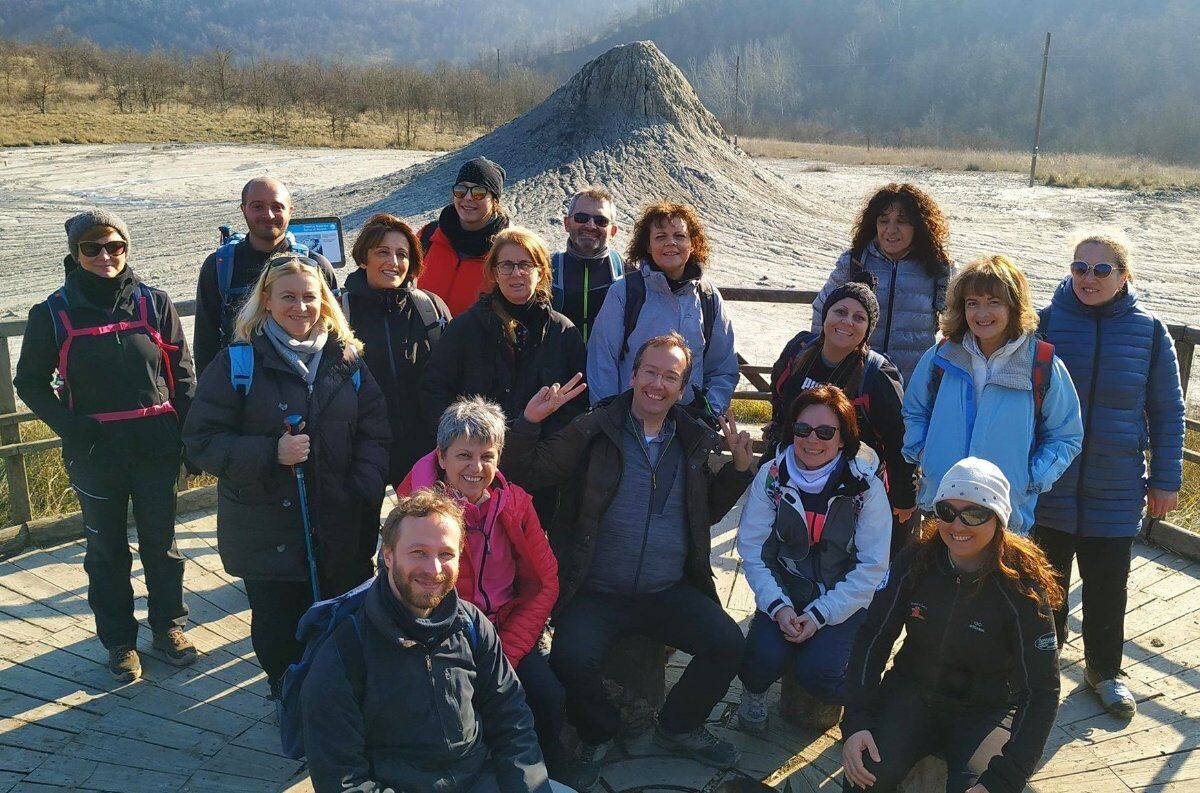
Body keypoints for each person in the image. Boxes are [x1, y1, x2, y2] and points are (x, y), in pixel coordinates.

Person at [504, 332, 755, 791]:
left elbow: (705, 513)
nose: (658, 385)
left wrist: (740, 471)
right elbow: (528, 472)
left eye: (671, 377)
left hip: (667, 591)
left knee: (728, 644)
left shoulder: (694, 438)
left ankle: (677, 726)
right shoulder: (594, 427)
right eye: (651, 372)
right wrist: (529, 423)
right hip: (596, 589)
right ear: (634, 374)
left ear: (683, 389)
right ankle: (597, 733)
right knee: (569, 657)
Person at [183, 256, 390, 697]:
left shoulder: (347, 360)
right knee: (279, 627)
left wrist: (361, 489)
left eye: (309, 297)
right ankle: (290, 695)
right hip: (267, 529)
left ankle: (340, 701)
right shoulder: (238, 362)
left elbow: (376, 433)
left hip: (339, 523)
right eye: (288, 297)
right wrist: (269, 452)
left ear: (325, 301)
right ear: (267, 301)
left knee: (344, 620)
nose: (300, 307)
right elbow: (201, 441)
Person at [15, 209, 197, 682]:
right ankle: (119, 642)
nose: (105, 256)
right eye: (91, 248)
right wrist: (70, 427)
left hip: (156, 448)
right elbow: (29, 382)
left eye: (114, 246)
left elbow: (181, 375)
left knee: (163, 547)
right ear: (75, 255)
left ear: (126, 249)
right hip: (96, 454)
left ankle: (168, 628)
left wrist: (188, 440)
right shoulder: (51, 312)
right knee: (106, 552)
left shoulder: (154, 303)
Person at [300, 488, 568, 793]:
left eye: (446, 554)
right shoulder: (344, 649)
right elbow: (342, 779)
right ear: (387, 555)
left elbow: (512, 719)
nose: (434, 569)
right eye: (418, 553)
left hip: (481, 778)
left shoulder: (472, 624)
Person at [841, 457, 1063, 793]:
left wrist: (1007, 777)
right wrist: (856, 721)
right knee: (865, 776)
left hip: (985, 710)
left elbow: (1043, 690)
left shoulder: (1022, 587)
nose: (958, 526)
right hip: (912, 694)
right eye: (947, 512)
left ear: (999, 519)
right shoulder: (916, 561)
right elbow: (873, 636)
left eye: (974, 514)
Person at [1032, 234, 1185, 719]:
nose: (1088, 278)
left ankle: (1104, 670)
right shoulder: (1046, 322)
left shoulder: (1150, 331)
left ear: (1124, 275)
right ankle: (1041, 662)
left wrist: (1165, 478)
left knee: (1107, 585)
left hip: (1116, 485)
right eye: (1080, 268)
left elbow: (1167, 410)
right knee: (1045, 580)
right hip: (1052, 482)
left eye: (1102, 270)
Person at [396, 397, 567, 779]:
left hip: (505, 632)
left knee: (548, 697)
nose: (476, 468)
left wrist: (507, 650)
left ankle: (551, 775)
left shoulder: (516, 505)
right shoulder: (416, 515)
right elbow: (402, 588)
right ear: (442, 458)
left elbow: (545, 581)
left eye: (487, 456)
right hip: (443, 638)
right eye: (464, 456)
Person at [735, 385, 891, 733]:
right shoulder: (772, 476)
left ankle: (863, 709)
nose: (812, 440)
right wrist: (778, 606)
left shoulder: (865, 487)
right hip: (787, 589)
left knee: (818, 671)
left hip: (841, 596)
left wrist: (821, 614)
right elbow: (752, 548)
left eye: (825, 432)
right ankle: (754, 692)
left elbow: (872, 566)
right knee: (760, 658)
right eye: (803, 429)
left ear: (843, 438)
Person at [902, 254, 1083, 535]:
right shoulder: (940, 356)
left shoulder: (1042, 364)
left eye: (993, 302)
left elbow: (1066, 434)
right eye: (972, 303)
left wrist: (1032, 477)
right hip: (942, 507)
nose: (981, 313)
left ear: (1014, 306)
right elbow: (914, 412)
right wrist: (925, 454)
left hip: (1005, 514)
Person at [768, 272, 917, 553]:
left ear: (868, 328)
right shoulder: (799, 351)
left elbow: (899, 439)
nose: (847, 322)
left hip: (851, 489)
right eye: (840, 311)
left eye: (859, 318)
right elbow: (779, 396)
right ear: (825, 315)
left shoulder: (877, 375)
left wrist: (903, 496)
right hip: (793, 475)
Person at [420, 226, 588, 439]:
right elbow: (435, 388)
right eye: (506, 265)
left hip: (542, 459)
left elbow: (576, 403)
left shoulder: (564, 332)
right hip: (477, 458)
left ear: (542, 271)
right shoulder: (465, 328)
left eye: (525, 265)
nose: (516, 273)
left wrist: (548, 451)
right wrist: (459, 444)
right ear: (494, 272)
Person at [585, 201, 739, 419]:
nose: (670, 243)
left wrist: (708, 413)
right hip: (629, 422)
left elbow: (723, 367)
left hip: (688, 427)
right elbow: (602, 361)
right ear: (647, 245)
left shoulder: (708, 297)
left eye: (679, 236)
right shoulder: (625, 292)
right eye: (660, 237)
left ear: (693, 243)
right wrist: (609, 417)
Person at [342, 213, 451, 482]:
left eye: (402, 254)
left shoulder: (429, 308)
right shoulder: (339, 313)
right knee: (360, 525)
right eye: (383, 252)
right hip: (361, 451)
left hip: (423, 448)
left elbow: (452, 375)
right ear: (364, 257)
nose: (394, 262)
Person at [193, 177, 338, 376]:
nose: (268, 214)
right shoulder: (220, 266)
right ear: (243, 209)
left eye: (277, 207)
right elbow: (205, 340)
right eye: (258, 206)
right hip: (241, 388)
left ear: (290, 211)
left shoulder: (316, 266)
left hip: (305, 387)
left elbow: (335, 334)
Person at [811, 183, 954, 382]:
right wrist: (823, 362)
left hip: (914, 384)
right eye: (883, 221)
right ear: (874, 224)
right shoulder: (855, 262)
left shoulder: (937, 269)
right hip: (854, 381)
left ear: (919, 226)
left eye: (901, 222)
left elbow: (955, 325)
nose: (891, 230)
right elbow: (822, 310)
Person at [418, 156, 512, 317]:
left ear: (494, 199)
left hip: (475, 341)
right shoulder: (429, 235)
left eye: (478, 192)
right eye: (461, 190)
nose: (468, 197)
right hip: (421, 340)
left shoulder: (507, 248)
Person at [550, 186, 623, 342]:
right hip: (557, 364)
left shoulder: (628, 274)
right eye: (581, 218)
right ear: (567, 223)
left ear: (613, 231)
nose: (590, 226)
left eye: (601, 221)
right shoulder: (546, 271)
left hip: (609, 365)